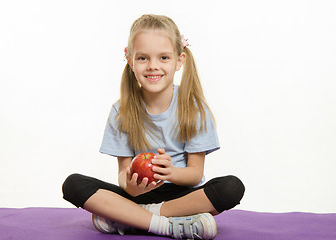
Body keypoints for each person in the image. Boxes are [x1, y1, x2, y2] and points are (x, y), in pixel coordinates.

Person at [62, 14, 245, 239]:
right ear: (130, 61)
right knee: (73, 185)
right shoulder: (122, 110)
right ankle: (165, 225)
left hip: (181, 197)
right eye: (143, 58)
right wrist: (130, 186)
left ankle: (132, 218)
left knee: (231, 188)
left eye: (164, 57)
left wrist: (172, 172)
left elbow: (195, 174)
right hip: (137, 193)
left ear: (179, 60)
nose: (153, 66)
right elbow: (123, 172)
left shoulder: (194, 108)